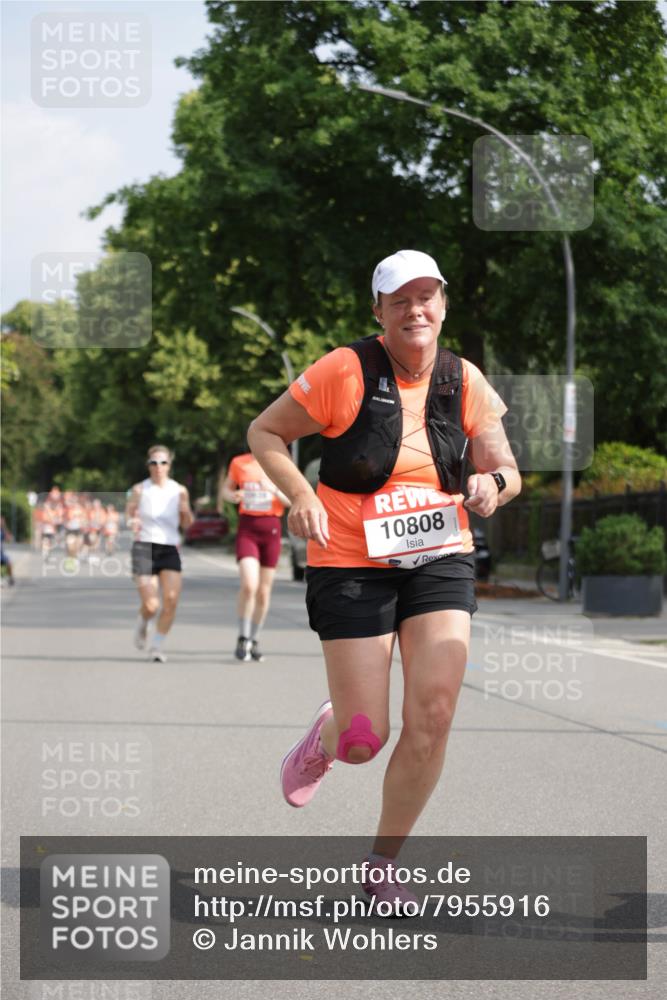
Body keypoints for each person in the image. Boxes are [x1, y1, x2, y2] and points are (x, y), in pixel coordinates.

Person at [248, 249, 520, 914]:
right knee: (364, 740)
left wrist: (491, 486)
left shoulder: (464, 380)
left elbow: (508, 470)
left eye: (426, 297)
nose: (414, 310)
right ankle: (330, 733)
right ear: (378, 311)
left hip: (439, 554)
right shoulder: (343, 370)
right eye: (399, 300)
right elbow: (265, 432)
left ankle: (381, 864)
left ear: (443, 305)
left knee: (432, 713)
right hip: (348, 559)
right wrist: (298, 497)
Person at [126, 445, 193, 663]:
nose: (158, 467)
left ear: (169, 465)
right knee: (151, 605)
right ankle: (143, 621)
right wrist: (133, 521)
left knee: (171, 600)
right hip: (144, 547)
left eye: (163, 462)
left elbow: (187, 523)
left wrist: (185, 509)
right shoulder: (139, 490)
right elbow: (129, 515)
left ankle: (156, 646)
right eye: (154, 463)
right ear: (148, 465)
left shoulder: (179, 490)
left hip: (169, 547)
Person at [220, 452, 290, 662]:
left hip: (271, 530)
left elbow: (292, 500)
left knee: (263, 591)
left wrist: (273, 489)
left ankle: (254, 639)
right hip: (248, 528)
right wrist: (232, 496)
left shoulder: (281, 462)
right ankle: (243, 636)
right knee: (249, 585)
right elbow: (225, 489)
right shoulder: (239, 462)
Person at [0, 516, 15, 586]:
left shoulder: (2, 531)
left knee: (10, 563)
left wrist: (4, 526)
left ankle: (10, 578)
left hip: (1, 554)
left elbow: (9, 539)